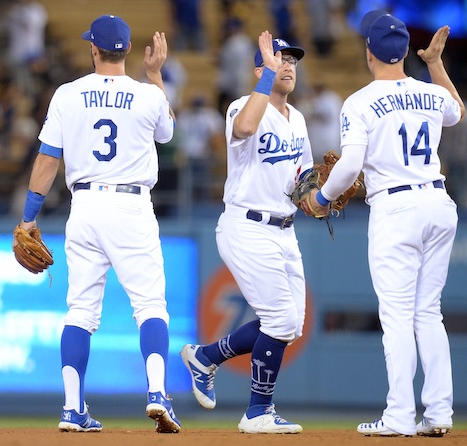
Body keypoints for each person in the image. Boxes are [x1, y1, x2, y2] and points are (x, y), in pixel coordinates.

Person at [14, 15, 181, 434]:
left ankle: (73, 409)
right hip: (131, 206)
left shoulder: (67, 95)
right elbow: (168, 133)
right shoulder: (147, 96)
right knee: (150, 306)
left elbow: (48, 159)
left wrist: (29, 216)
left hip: (84, 206)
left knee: (81, 311)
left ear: (93, 49)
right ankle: (158, 394)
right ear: (125, 50)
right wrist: (156, 75)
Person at [303, 10, 465, 437]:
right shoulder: (430, 93)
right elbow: (458, 112)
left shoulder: (359, 101)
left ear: (369, 51)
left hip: (396, 210)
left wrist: (321, 198)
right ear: (407, 51)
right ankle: (439, 413)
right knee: (428, 312)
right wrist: (435, 64)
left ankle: (398, 415)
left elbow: (351, 162)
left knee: (396, 316)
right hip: (437, 202)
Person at [180, 32, 310, 434]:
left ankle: (206, 357)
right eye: (278, 58)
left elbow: (302, 179)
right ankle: (258, 412)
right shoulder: (244, 104)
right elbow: (245, 127)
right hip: (247, 225)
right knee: (279, 319)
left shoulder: (299, 118)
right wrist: (266, 80)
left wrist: (322, 193)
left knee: (291, 324)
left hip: (285, 228)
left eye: (291, 60)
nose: (287, 64)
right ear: (259, 69)